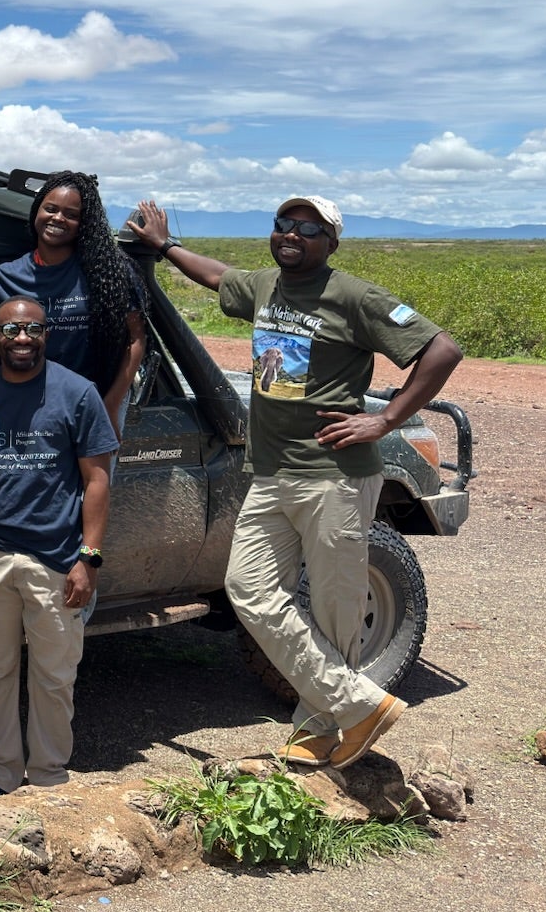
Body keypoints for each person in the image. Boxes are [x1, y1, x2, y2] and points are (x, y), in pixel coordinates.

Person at [131, 195, 462, 768]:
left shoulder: (356, 296)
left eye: (309, 228)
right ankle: (357, 704)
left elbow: (442, 349)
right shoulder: (265, 287)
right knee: (249, 589)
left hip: (334, 475)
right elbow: (219, 277)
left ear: (331, 242)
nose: (292, 234)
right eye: (284, 224)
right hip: (270, 471)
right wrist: (165, 246)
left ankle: (317, 726)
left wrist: (385, 418)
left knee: (334, 607)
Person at [0, 297, 119, 797]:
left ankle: (48, 778)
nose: (21, 338)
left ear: (46, 333)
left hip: (57, 556)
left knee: (53, 676)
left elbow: (97, 480)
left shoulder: (77, 393)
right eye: (10, 330)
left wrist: (88, 559)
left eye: (31, 329)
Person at [0, 170, 148, 436]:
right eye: (51, 209)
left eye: (71, 214)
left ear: (84, 223)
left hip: (93, 403)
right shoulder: (8, 275)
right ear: (37, 211)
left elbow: (135, 340)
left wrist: (111, 406)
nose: (58, 218)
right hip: (29, 406)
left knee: (93, 479)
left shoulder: (108, 273)